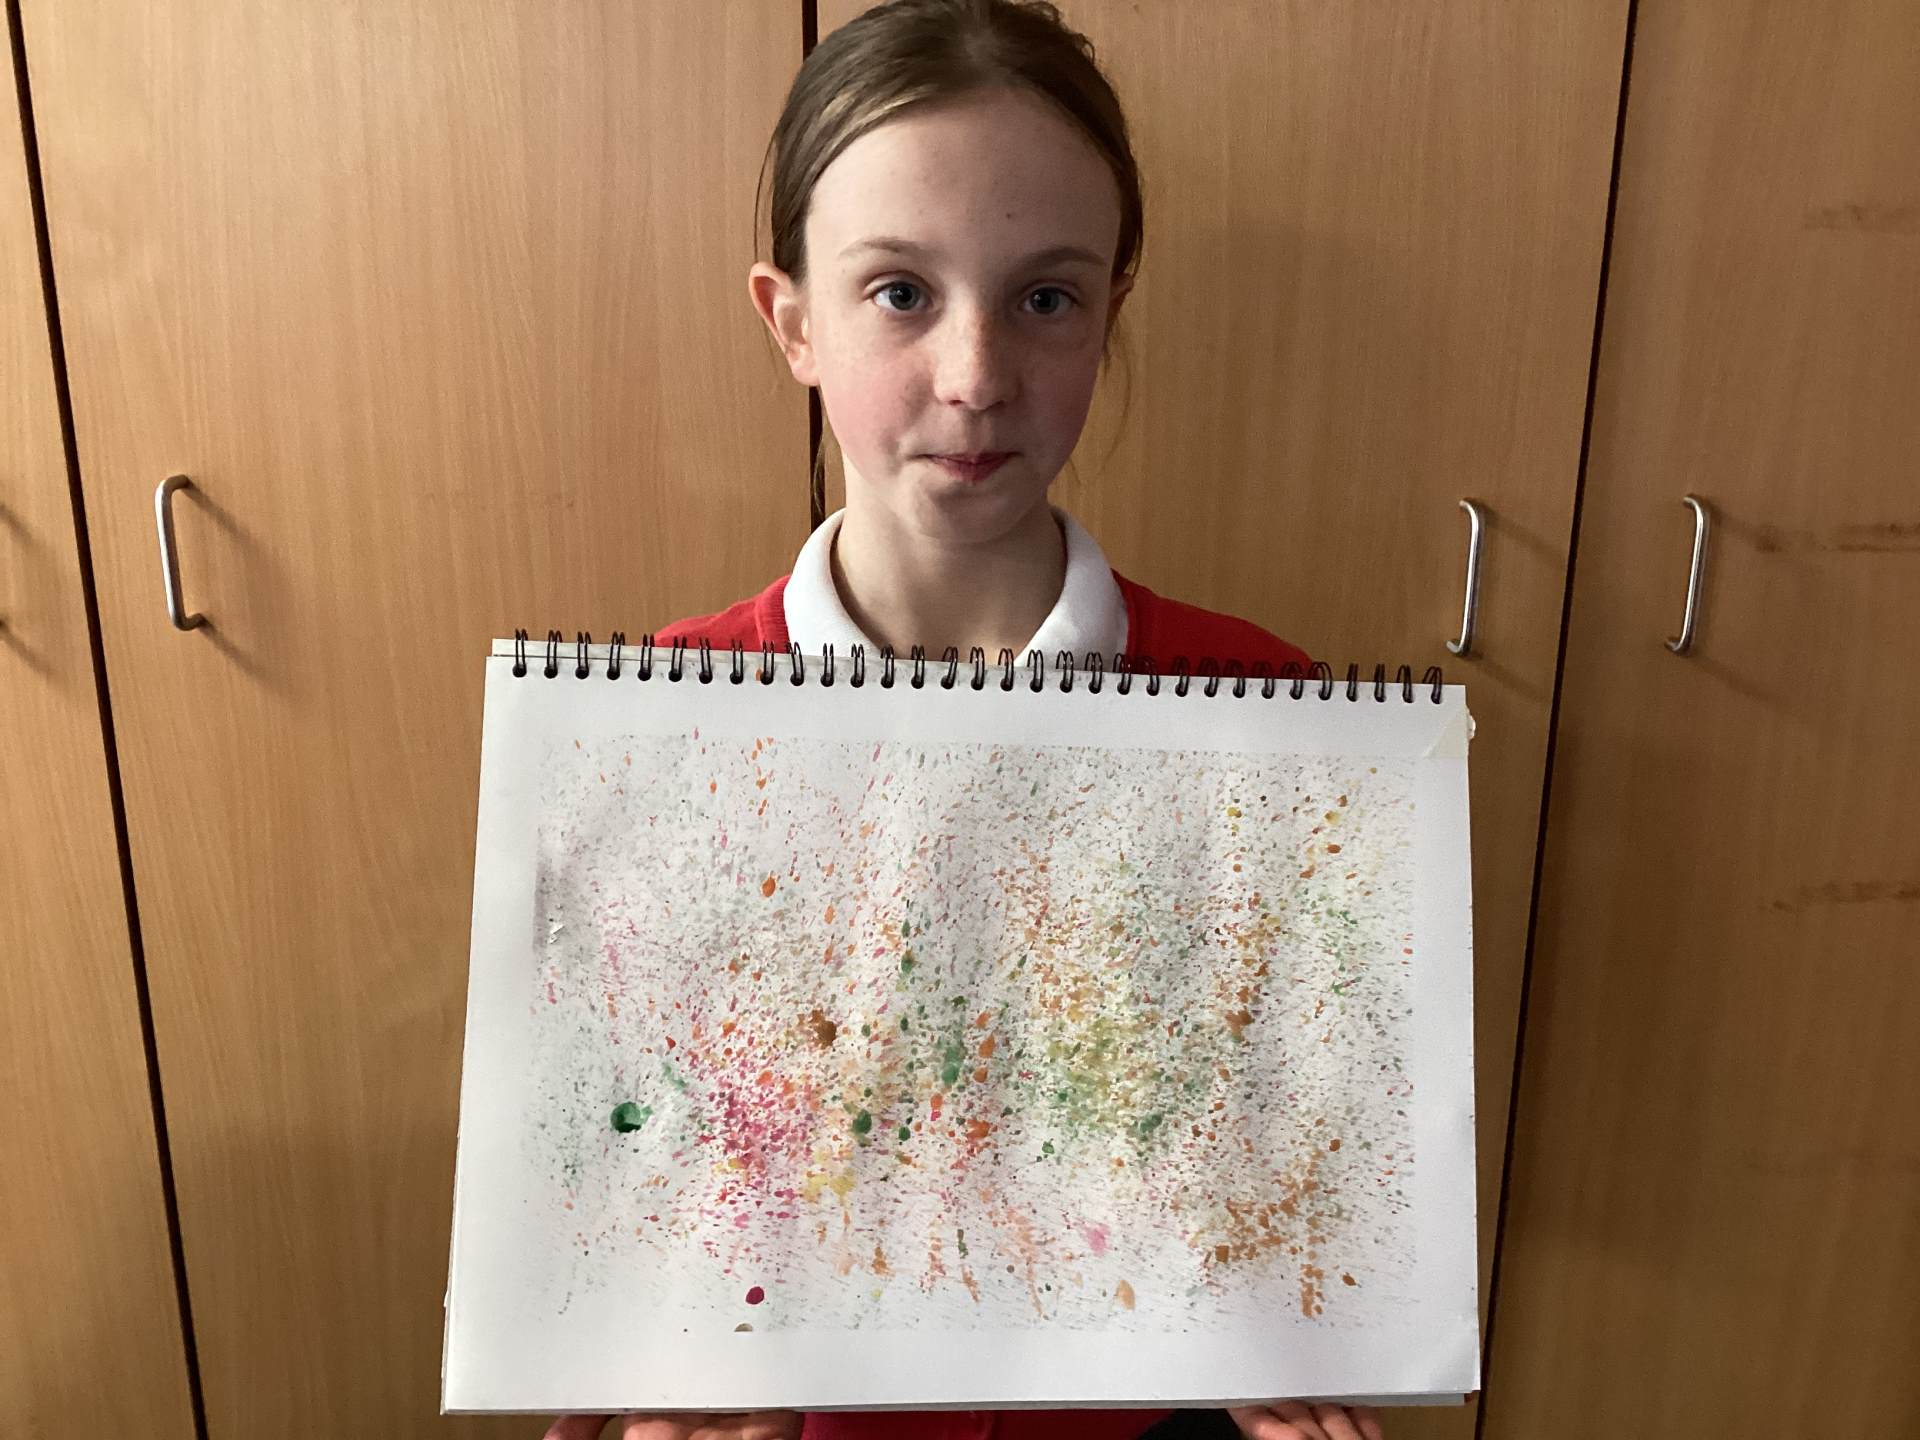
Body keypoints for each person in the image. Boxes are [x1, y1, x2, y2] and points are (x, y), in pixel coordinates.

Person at [547, 3, 1384, 1439]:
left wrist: (1296, 1338)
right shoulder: (659, 729)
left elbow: (1302, 1148)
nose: (978, 376)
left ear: (1110, 313)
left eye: (1046, 298)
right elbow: (618, 1171)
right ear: (792, 321)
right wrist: (655, 1378)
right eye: (900, 292)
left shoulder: (1261, 716)